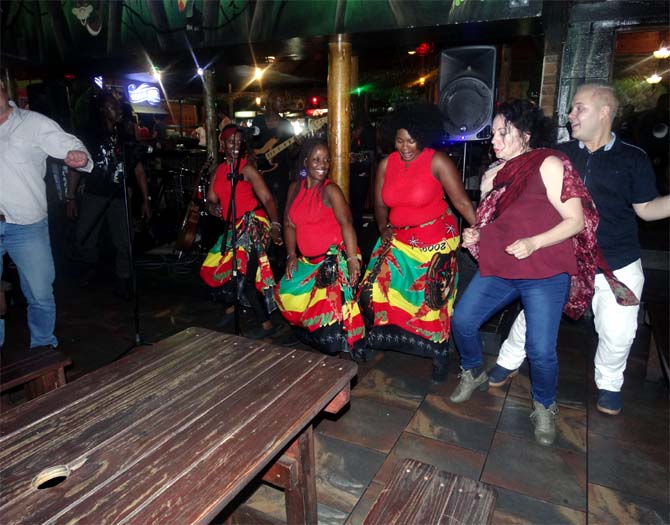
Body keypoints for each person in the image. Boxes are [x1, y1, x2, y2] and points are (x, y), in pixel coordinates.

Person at [490, 85, 670, 417]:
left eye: (579, 108)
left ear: (605, 112)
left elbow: (646, 209)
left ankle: (610, 384)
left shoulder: (633, 158)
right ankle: (508, 360)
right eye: (572, 108)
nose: (570, 115)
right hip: (562, 256)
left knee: (618, 332)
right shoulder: (559, 155)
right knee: (533, 316)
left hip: (616, 261)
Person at [450, 99, 610, 447]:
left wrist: (534, 242)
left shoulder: (549, 162)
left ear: (525, 134)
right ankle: (473, 370)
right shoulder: (494, 172)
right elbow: (494, 220)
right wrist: (477, 234)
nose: (495, 141)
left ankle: (544, 405)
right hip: (503, 266)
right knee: (462, 321)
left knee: (540, 349)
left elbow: (576, 221)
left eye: (503, 133)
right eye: (493, 134)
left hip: (545, 270)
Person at [358, 105, 476, 379]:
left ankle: (439, 352)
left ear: (422, 137)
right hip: (399, 238)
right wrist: (383, 228)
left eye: (411, 140)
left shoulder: (437, 162)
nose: (405, 147)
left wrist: (482, 230)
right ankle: (381, 337)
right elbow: (379, 203)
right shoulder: (387, 164)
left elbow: (461, 202)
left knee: (431, 301)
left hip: (435, 240)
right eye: (400, 140)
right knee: (373, 288)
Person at [0, 79, 92, 350]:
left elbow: (70, 144)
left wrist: (79, 155)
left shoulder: (33, 123)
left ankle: (43, 349)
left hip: (26, 225)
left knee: (40, 293)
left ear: (3, 89)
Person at [275, 139, 365, 355]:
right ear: (305, 161)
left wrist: (352, 259)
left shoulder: (330, 190)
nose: (322, 165)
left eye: (326, 160)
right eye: (316, 160)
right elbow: (289, 224)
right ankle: (306, 333)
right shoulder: (294, 188)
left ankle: (332, 338)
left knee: (329, 340)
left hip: (334, 259)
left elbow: (346, 223)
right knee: (285, 292)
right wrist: (291, 255)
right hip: (308, 261)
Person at [200, 125, 283, 339]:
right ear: (223, 144)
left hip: (254, 224)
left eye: (239, 142)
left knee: (244, 276)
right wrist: (212, 207)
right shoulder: (219, 171)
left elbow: (267, 199)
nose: (236, 146)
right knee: (216, 267)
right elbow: (210, 200)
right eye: (231, 142)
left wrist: (275, 225)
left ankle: (266, 324)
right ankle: (232, 307)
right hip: (233, 228)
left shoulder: (247, 169)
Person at [67, 91, 152, 299]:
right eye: (113, 107)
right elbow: (75, 168)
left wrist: (146, 199)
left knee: (125, 240)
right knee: (85, 236)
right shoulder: (89, 135)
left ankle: (123, 278)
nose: (118, 110)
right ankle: (91, 267)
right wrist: (71, 197)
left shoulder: (125, 135)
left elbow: (138, 169)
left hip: (120, 195)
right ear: (103, 110)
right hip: (95, 193)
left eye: (118, 106)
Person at [252, 92, 296, 224]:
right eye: (280, 101)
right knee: (260, 206)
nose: (283, 104)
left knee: (281, 208)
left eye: (283, 101)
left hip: (280, 173)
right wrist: (252, 156)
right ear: (271, 102)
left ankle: (279, 232)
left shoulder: (286, 124)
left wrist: (298, 145)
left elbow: (292, 153)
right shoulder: (258, 121)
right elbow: (250, 143)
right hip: (260, 172)